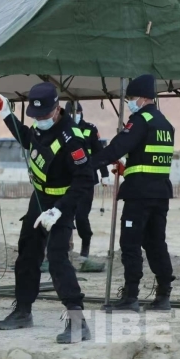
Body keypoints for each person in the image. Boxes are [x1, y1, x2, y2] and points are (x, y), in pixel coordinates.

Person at [0, 83, 94, 344]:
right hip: (39, 199)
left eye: (44, 115)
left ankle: (77, 321)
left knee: (58, 258)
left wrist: (59, 210)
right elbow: (28, 139)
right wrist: (7, 115)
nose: (39, 120)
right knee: (27, 254)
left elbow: (85, 180)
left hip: (62, 203)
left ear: (57, 109)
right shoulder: (39, 126)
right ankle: (23, 310)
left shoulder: (72, 139)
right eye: (35, 116)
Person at [90, 74, 175, 312]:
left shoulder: (140, 121)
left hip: (139, 194)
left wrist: (87, 165)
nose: (129, 102)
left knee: (130, 243)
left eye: (132, 97)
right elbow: (149, 160)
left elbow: (118, 147)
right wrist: (126, 169)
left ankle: (131, 296)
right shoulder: (165, 124)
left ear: (144, 98)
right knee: (156, 243)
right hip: (160, 193)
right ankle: (164, 294)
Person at [65, 102, 109, 258]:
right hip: (66, 180)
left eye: (78, 112)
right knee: (64, 215)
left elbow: (99, 152)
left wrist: (105, 174)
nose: (75, 115)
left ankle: (85, 245)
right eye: (72, 113)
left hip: (87, 179)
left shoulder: (90, 129)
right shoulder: (62, 130)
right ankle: (64, 248)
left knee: (81, 216)